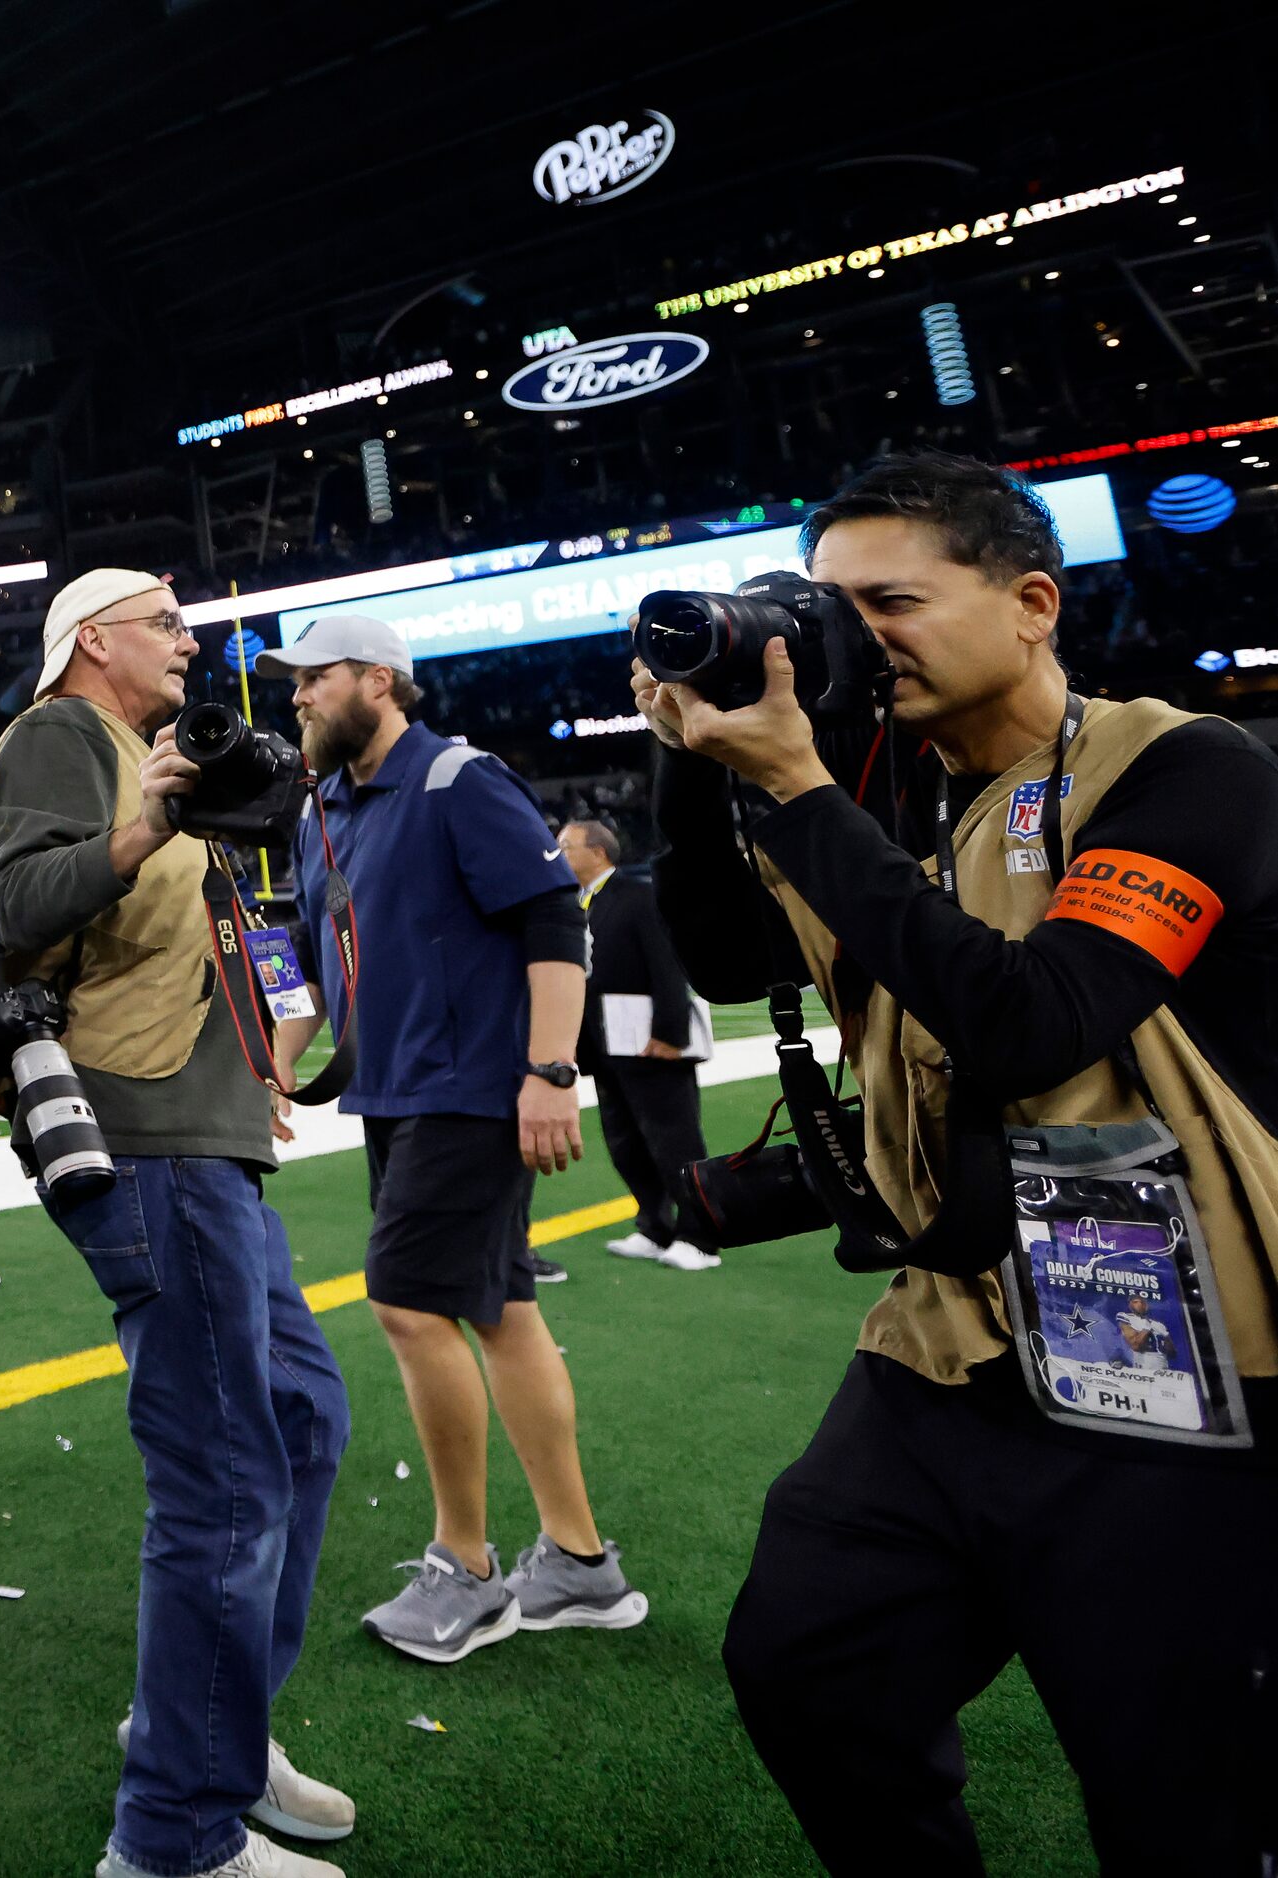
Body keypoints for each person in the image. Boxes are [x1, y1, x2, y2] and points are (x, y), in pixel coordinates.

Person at [638, 448, 1278, 1874]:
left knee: (1177, 1793)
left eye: (891, 601)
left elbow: (1033, 1017)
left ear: (1031, 602)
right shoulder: (888, 793)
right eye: (824, 607)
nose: (849, 638)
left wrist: (801, 794)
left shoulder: (1182, 763)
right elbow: (736, 958)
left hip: (1175, 1363)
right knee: (809, 1667)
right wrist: (693, 776)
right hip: (946, 1343)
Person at [0, 567, 354, 1878]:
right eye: (168, 625)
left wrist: (272, 1038)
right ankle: (173, 1836)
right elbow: (14, 908)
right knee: (225, 1477)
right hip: (139, 1137)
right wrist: (140, 827)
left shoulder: (153, 754)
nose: (193, 645)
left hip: (209, 1133)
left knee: (304, 1422)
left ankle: (214, 1725)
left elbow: (227, 926)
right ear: (94, 639)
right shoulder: (58, 736)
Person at [260, 615, 645, 1665]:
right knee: (500, 1310)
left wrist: (550, 1070)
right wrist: (276, 1062)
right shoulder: (320, 808)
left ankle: (466, 1571)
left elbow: (551, 920)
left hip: (470, 1089)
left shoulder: (455, 780)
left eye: (312, 677)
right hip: (395, 1093)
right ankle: (576, 1562)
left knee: (408, 1303)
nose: (294, 696)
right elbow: (297, 952)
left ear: (378, 681)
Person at [556, 820, 717, 1271]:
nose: (559, 854)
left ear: (599, 852)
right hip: (604, 1047)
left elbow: (667, 967)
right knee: (624, 1142)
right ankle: (654, 1226)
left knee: (674, 1140)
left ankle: (700, 1237)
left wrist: (670, 1034)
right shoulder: (579, 904)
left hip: (649, 1042)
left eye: (566, 846)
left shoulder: (638, 896)